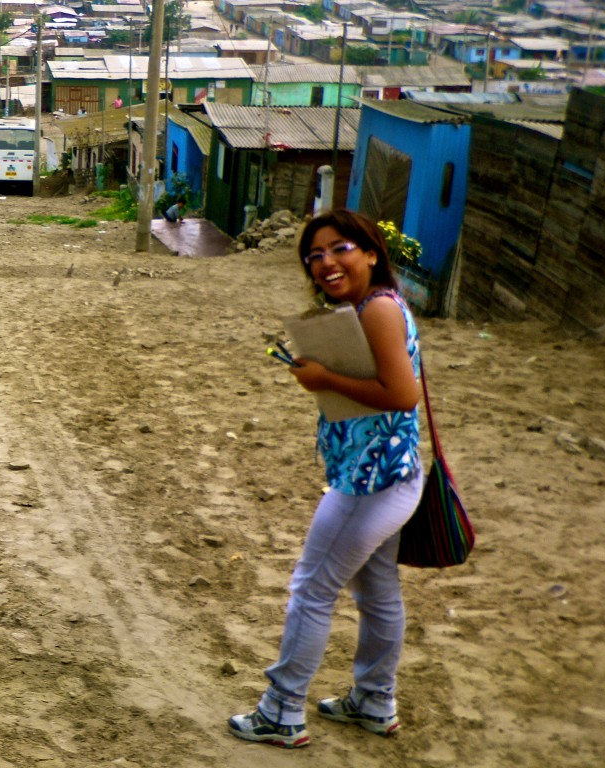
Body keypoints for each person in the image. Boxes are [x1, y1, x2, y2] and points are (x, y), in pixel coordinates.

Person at [227, 209, 423, 749]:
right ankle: (374, 699)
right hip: (391, 473)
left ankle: (282, 710)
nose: (326, 263)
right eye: (315, 256)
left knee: (313, 589)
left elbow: (402, 395)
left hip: (372, 482)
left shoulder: (379, 309)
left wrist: (323, 377)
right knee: (377, 590)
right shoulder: (365, 307)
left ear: (371, 252)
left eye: (339, 249)